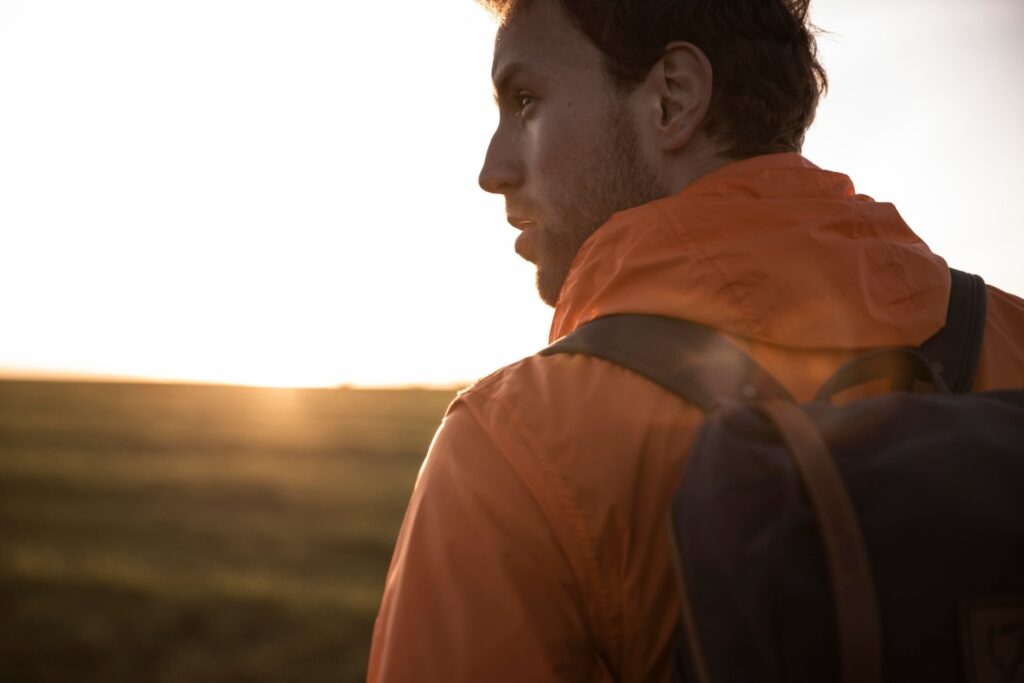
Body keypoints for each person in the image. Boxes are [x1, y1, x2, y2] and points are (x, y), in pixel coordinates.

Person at [367, 0, 1024, 680]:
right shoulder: (1013, 335)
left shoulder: (511, 446)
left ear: (672, 99)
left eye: (526, 99)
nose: (492, 168)